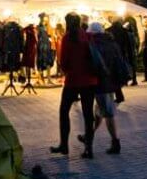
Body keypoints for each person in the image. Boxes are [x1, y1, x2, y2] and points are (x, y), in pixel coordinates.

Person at [51, 13, 98, 158]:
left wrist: (67, 71)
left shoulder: (67, 38)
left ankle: (64, 145)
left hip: (73, 80)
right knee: (88, 114)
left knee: (64, 111)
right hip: (89, 80)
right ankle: (89, 148)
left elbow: (63, 61)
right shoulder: (87, 35)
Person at [80, 23, 126, 155]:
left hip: (100, 83)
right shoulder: (112, 43)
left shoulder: (94, 45)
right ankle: (88, 135)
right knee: (99, 112)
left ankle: (115, 142)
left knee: (108, 113)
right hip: (110, 83)